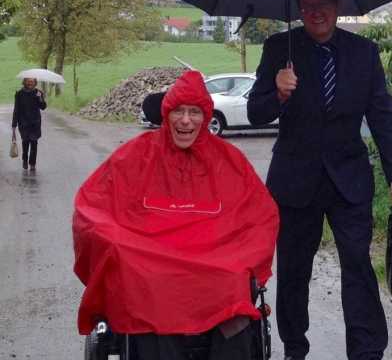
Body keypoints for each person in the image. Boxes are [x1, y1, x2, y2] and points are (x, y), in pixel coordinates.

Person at [72, 70, 279, 360]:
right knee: (144, 281)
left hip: (214, 262)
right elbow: (91, 206)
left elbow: (261, 215)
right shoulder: (135, 155)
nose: (185, 120)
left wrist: (245, 257)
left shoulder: (229, 161)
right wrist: (115, 243)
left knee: (233, 282)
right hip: (152, 263)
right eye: (179, 111)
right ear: (166, 113)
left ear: (206, 116)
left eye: (194, 112)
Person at [247, 0, 392, 360]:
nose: (316, 14)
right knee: (294, 273)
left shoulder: (364, 53)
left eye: (323, 5)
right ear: (300, 10)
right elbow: (255, 112)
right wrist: (277, 92)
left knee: (359, 268)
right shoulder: (280, 48)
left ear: (337, 6)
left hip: (350, 181)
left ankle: (367, 351)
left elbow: (383, 118)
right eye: (308, 7)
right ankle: (295, 348)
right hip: (295, 182)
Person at [12, 78, 47, 171]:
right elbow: (16, 109)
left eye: (32, 81)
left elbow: (43, 107)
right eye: (28, 81)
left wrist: (40, 97)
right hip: (23, 123)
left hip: (35, 123)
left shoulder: (38, 92)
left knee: (34, 143)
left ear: (35, 83)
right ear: (24, 82)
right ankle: (24, 160)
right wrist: (14, 125)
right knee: (25, 143)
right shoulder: (19, 93)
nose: (30, 83)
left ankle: (32, 163)